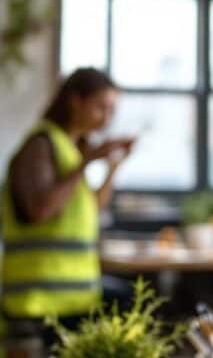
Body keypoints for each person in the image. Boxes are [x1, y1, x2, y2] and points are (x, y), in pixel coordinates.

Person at [2, 68, 134, 323]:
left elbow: (92, 208)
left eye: (111, 111)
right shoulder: (41, 144)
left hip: (74, 293)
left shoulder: (70, 150)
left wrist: (112, 169)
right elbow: (40, 210)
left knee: (129, 302)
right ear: (75, 101)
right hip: (40, 297)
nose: (106, 119)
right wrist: (88, 161)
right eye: (100, 108)